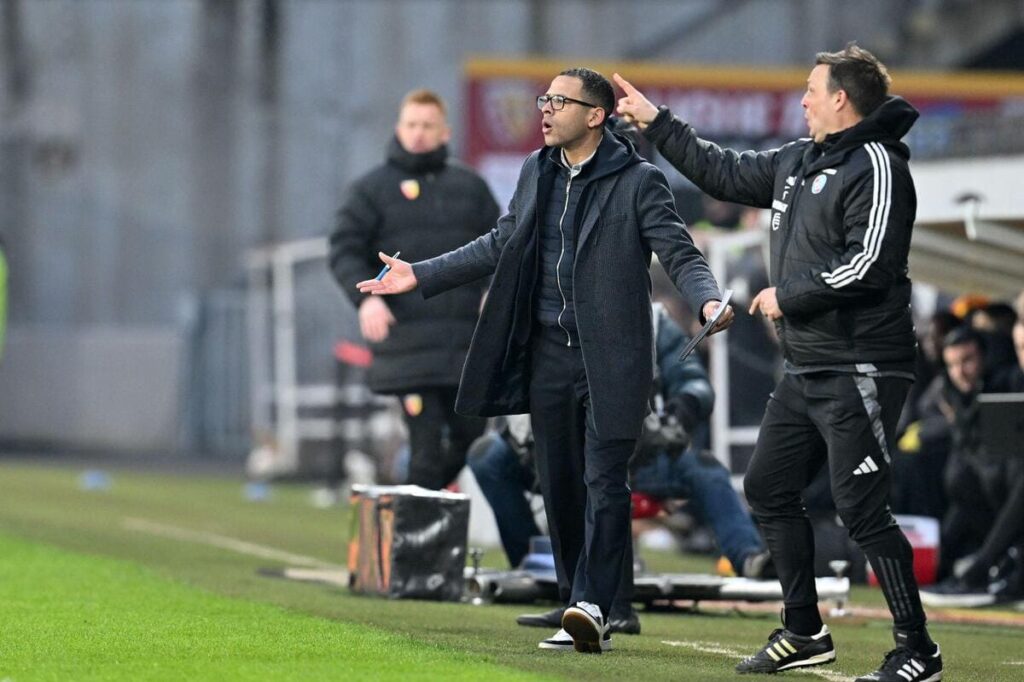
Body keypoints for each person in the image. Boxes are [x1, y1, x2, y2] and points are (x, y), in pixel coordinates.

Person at [357, 67, 732, 654]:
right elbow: (500, 242)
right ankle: (579, 598)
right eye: (545, 98)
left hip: (614, 358)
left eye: (560, 101)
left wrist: (707, 295)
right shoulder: (536, 170)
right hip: (548, 355)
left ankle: (591, 605)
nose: (546, 109)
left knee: (605, 480)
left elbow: (678, 250)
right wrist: (420, 274)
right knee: (559, 486)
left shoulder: (639, 181)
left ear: (596, 115)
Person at [616, 44, 943, 680]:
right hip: (806, 366)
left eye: (812, 89)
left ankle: (917, 650)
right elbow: (722, 172)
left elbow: (871, 265)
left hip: (863, 365)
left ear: (841, 98)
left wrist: (785, 295)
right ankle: (803, 629)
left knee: (861, 509)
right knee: (767, 488)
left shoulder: (877, 163)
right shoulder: (797, 160)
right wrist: (658, 124)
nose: (803, 99)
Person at [469, 304, 769, 640]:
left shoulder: (653, 319)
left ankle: (749, 557)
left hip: (645, 447)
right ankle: (537, 565)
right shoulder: (539, 315)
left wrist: (677, 416)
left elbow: (694, 384)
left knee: (696, 469)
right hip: (549, 444)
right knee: (494, 456)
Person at [329, 89, 499, 491]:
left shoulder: (471, 188)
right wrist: (366, 300)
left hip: (466, 344)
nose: (418, 133)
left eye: (427, 125)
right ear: (398, 128)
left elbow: (504, 246)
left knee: (470, 440)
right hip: (408, 344)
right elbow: (343, 250)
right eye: (411, 124)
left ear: (445, 132)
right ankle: (418, 546)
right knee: (425, 450)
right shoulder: (371, 190)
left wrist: (495, 291)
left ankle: (409, 512)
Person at [917, 327, 1024, 604]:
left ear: (984, 358)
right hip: (997, 486)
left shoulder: (1006, 381)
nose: (960, 372)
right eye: (953, 364)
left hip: (1010, 482)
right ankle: (983, 565)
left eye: (967, 361)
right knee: (958, 475)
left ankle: (983, 567)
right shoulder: (953, 393)